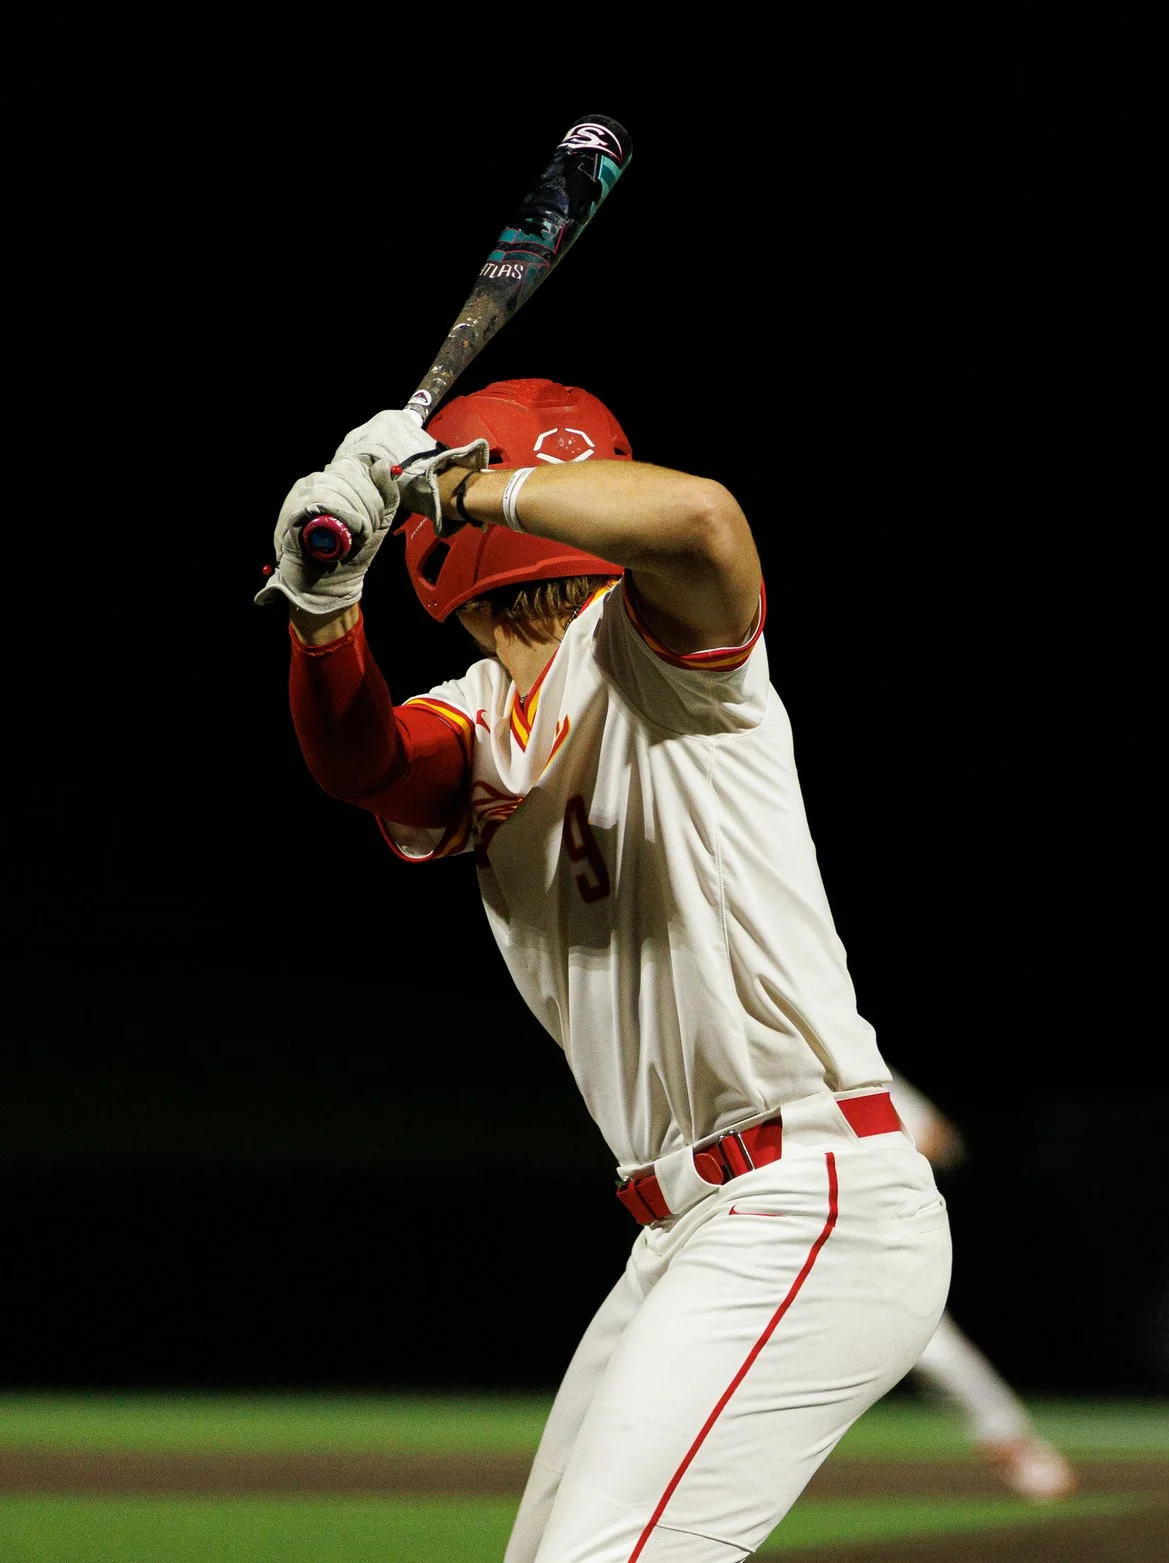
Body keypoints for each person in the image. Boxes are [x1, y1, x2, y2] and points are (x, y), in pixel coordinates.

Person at [261, 380, 953, 1563]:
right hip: (687, 1226)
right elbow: (367, 763)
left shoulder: (655, 647)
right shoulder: (479, 717)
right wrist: (322, 612)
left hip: (805, 1196)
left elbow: (702, 527)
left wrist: (441, 489)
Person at [883, 1077, 1080, 1501]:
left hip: (865, 1237)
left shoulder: (845, 1057)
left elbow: (940, 1139)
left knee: (936, 1349)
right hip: (777, 1233)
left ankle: (1013, 1446)